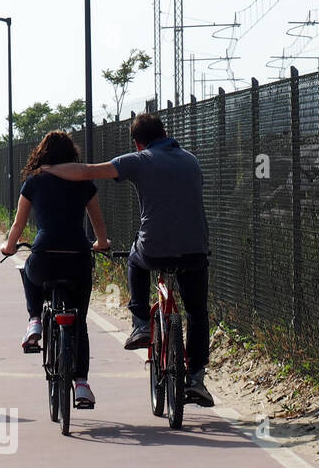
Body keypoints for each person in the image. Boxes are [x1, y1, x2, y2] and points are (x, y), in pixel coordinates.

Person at [38, 112, 214, 408]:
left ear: (138, 143)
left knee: (135, 259)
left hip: (154, 247)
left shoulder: (139, 160)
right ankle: (196, 377)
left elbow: (86, 172)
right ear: (165, 133)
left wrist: (48, 169)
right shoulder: (191, 160)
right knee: (197, 312)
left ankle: (141, 322)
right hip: (195, 248)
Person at [0, 131, 110, 409]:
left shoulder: (34, 181)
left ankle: (35, 319)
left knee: (26, 269)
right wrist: (101, 243)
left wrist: (9, 247)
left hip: (45, 255)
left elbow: (18, 226)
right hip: (77, 258)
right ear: (71, 154)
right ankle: (82, 384)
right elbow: (98, 223)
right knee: (80, 322)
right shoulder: (84, 183)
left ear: (43, 153)